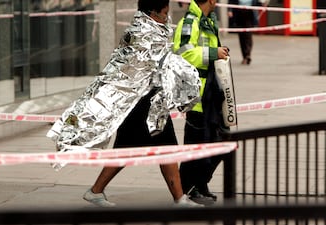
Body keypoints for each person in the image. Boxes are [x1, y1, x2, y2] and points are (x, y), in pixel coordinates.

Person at [81, 0, 202, 208]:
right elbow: (155, 64)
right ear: (154, 13)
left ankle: (179, 197)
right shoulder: (142, 33)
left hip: (152, 101)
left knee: (165, 147)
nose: (167, 18)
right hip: (141, 103)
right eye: (165, 14)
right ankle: (95, 190)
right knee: (129, 148)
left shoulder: (150, 28)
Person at [172, 0, 230, 205]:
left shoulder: (207, 21)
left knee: (221, 141)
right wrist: (213, 53)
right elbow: (183, 54)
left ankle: (199, 183)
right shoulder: (190, 22)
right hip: (197, 96)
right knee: (196, 146)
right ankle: (188, 189)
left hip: (212, 93)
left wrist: (219, 51)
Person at [227, 0, 268, 65]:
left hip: (249, 14)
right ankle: (244, 56)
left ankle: (247, 55)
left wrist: (262, 4)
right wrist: (229, 10)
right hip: (239, 14)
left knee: (248, 35)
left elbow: (256, 2)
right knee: (241, 36)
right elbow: (231, 1)